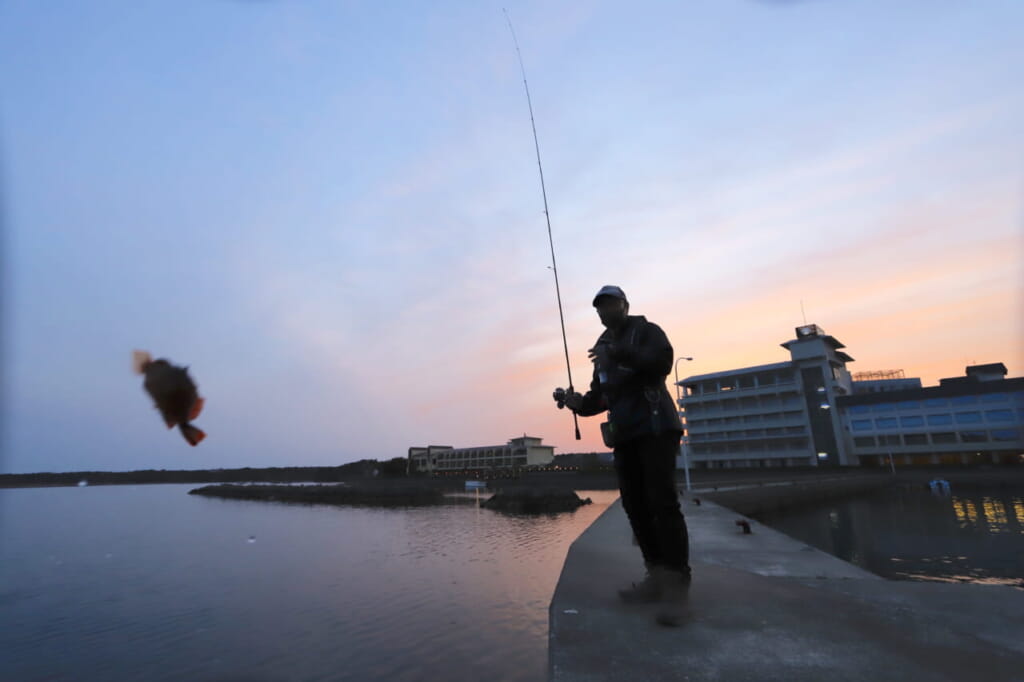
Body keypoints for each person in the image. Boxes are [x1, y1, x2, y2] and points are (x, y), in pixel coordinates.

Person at [552, 285, 691, 626]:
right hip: (625, 434)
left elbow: (661, 364)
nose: (604, 311)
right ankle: (655, 576)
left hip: (656, 428)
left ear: (625, 305)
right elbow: (601, 398)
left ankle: (676, 589)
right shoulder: (603, 349)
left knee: (662, 502)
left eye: (611, 304)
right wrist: (576, 402)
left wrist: (617, 354)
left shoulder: (646, 331)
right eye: (599, 307)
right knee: (635, 506)